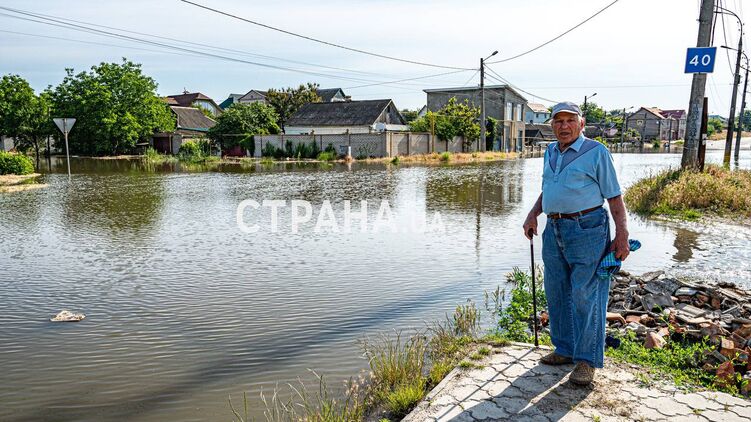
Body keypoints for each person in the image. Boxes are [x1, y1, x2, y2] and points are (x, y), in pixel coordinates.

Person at [522, 101, 630, 386]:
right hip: (554, 228)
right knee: (556, 290)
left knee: (586, 294)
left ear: (581, 124)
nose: (564, 126)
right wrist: (533, 214)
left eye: (570, 120)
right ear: (552, 126)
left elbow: (614, 196)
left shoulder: (596, 151)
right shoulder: (550, 151)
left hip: (587, 228)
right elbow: (549, 189)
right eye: (558, 121)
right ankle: (565, 349)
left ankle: (586, 360)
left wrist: (621, 234)